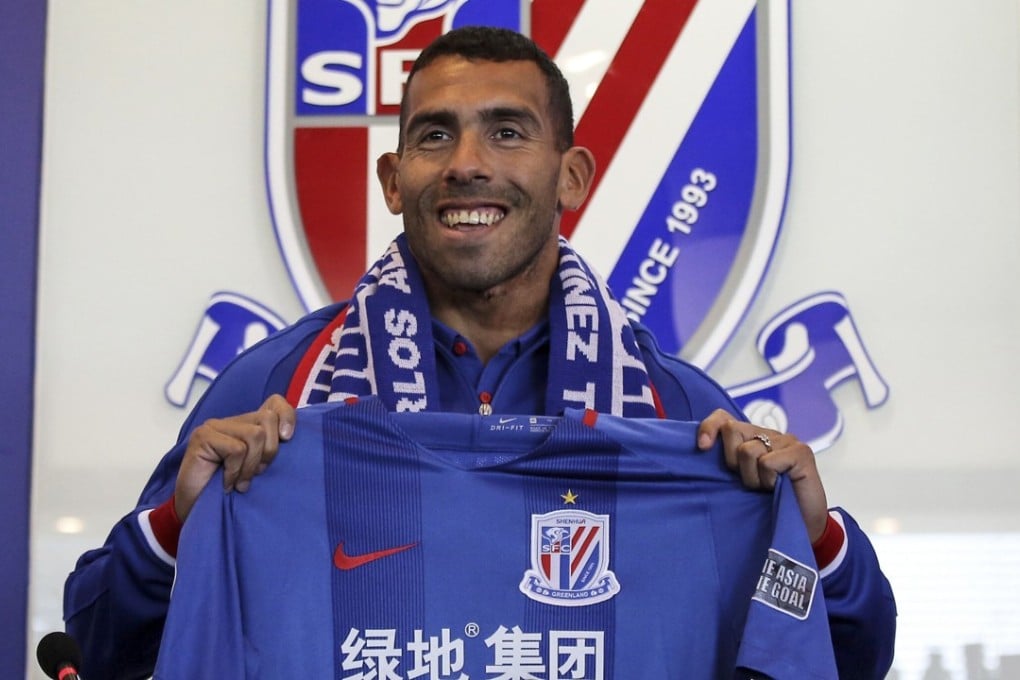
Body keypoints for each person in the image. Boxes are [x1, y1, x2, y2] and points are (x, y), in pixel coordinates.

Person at [64, 25, 896, 680]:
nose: (467, 165)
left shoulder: (680, 413)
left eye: (506, 132)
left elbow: (851, 659)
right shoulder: (280, 388)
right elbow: (100, 644)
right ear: (393, 180)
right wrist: (178, 524)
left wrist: (814, 538)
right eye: (435, 136)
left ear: (570, 176)